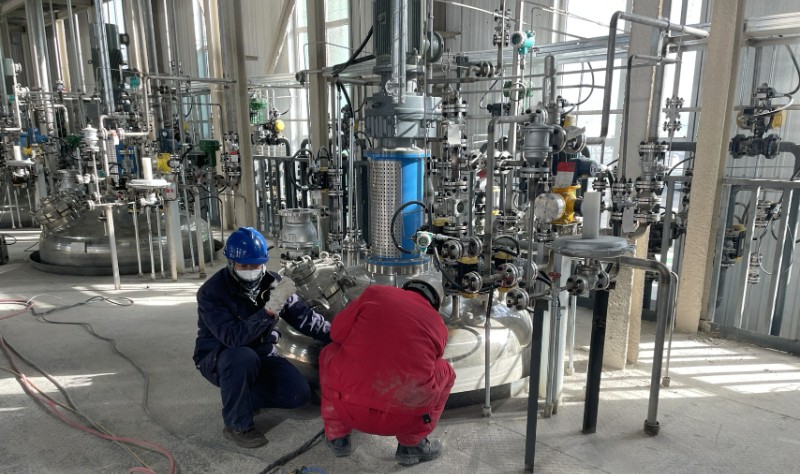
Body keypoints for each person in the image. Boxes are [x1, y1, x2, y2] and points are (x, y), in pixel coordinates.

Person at [193, 227, 331, 448]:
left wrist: (337, 335)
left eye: (256, 265)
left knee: (299, 395)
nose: (251, 271)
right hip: (221, 356)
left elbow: (304, 318)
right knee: (242, 358)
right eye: (244, 266)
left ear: (264, 263)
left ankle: (244, 397)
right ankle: (237, 425)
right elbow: (233, 338)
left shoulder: (273, 283)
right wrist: (268, 310)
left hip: (263, 352)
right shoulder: (212, 292)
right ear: (231, 263)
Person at [319, 278, 456, 466]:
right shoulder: (438, 324)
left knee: (329, 352)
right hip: (405, 418)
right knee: (446, 371)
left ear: (404, 288)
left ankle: (337, 436)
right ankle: (412, 445)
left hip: (348, 407)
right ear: (434, 304)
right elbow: (433, 360)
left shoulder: (375, 293)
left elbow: (336, 333)